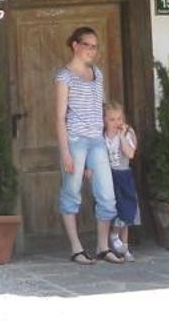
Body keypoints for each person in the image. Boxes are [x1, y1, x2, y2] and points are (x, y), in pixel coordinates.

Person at [54, 26, 121, 264]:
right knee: (71, 193)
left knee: (107, 196)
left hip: (97, 142)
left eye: (95, 46)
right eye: (88, 45)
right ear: (75, 45)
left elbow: (99, 107)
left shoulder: (97, 73)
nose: (92, 50)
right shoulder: (64, 76)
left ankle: (103, 246)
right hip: (75, 141)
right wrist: (65, 153)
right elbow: (60, 116)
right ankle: (76, 248)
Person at [102, 100, 139, 261]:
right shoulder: (101, 135)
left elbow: (130, 154)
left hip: (123, 174)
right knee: (111, 209)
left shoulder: (127, 132)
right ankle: (110, 245)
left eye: (119, 119)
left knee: (126, 209)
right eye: (112, 119)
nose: (116, 123)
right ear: (104, 120)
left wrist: (122, 137)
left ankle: (123, 244)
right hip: (107, 175)